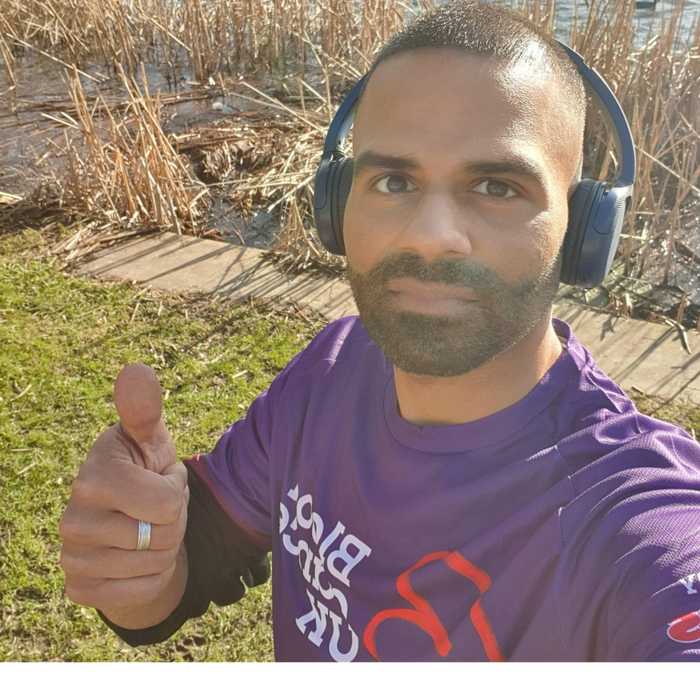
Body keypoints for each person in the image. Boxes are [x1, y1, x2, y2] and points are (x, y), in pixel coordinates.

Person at [58, 1, 700, 662]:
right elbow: (201, 558)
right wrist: (137, 559)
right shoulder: (330, 370)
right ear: (337, 208)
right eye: (393, 180)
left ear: (584, 231)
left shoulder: (629, 516)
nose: (430, 234)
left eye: (497, 186)